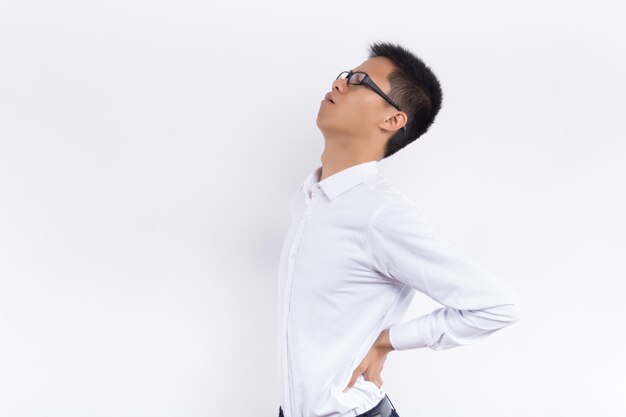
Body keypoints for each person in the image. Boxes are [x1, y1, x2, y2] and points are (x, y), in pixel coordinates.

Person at [276, 41, 522, 417]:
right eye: (346, 74)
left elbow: (495, 305)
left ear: (392, 120)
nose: (340, 83)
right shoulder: (309, 197)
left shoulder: (381, 214)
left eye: (360, 81)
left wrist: (387, 342)